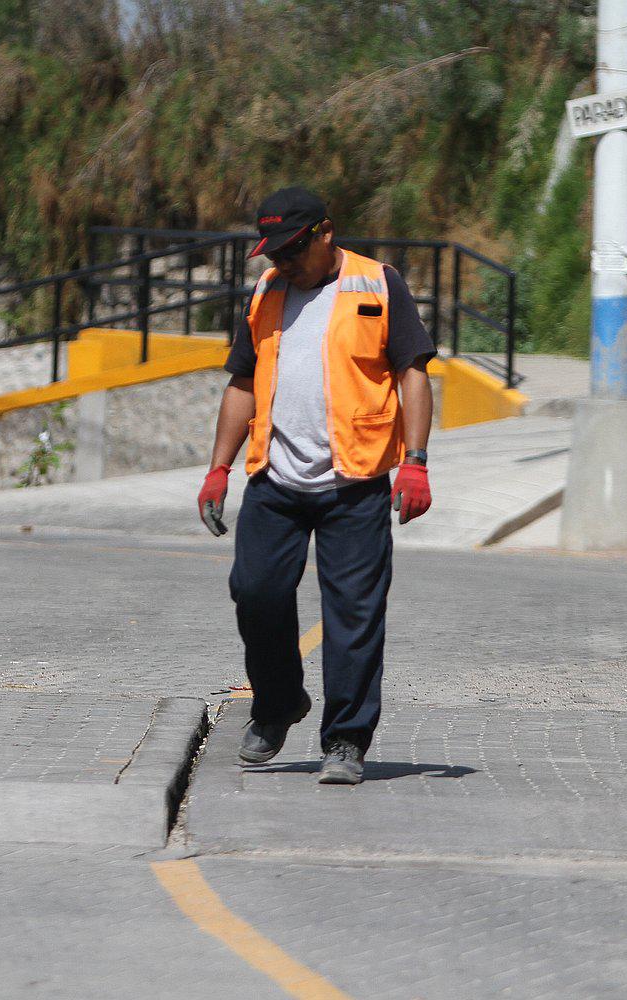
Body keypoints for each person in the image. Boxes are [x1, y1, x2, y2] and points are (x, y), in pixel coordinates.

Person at [196, 186, 435, 785]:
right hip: (274, 481)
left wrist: (417, 460)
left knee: (353, 616)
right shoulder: (267, 291)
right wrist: (219, 468)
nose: (283, 262)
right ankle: (278, 705)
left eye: (293, 249)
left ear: (326, 233)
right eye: (273, 252)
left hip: (354, 483)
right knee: (255, 594)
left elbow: (412, 372)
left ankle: (347, 740)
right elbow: (243, 382)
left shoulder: (377, 284)